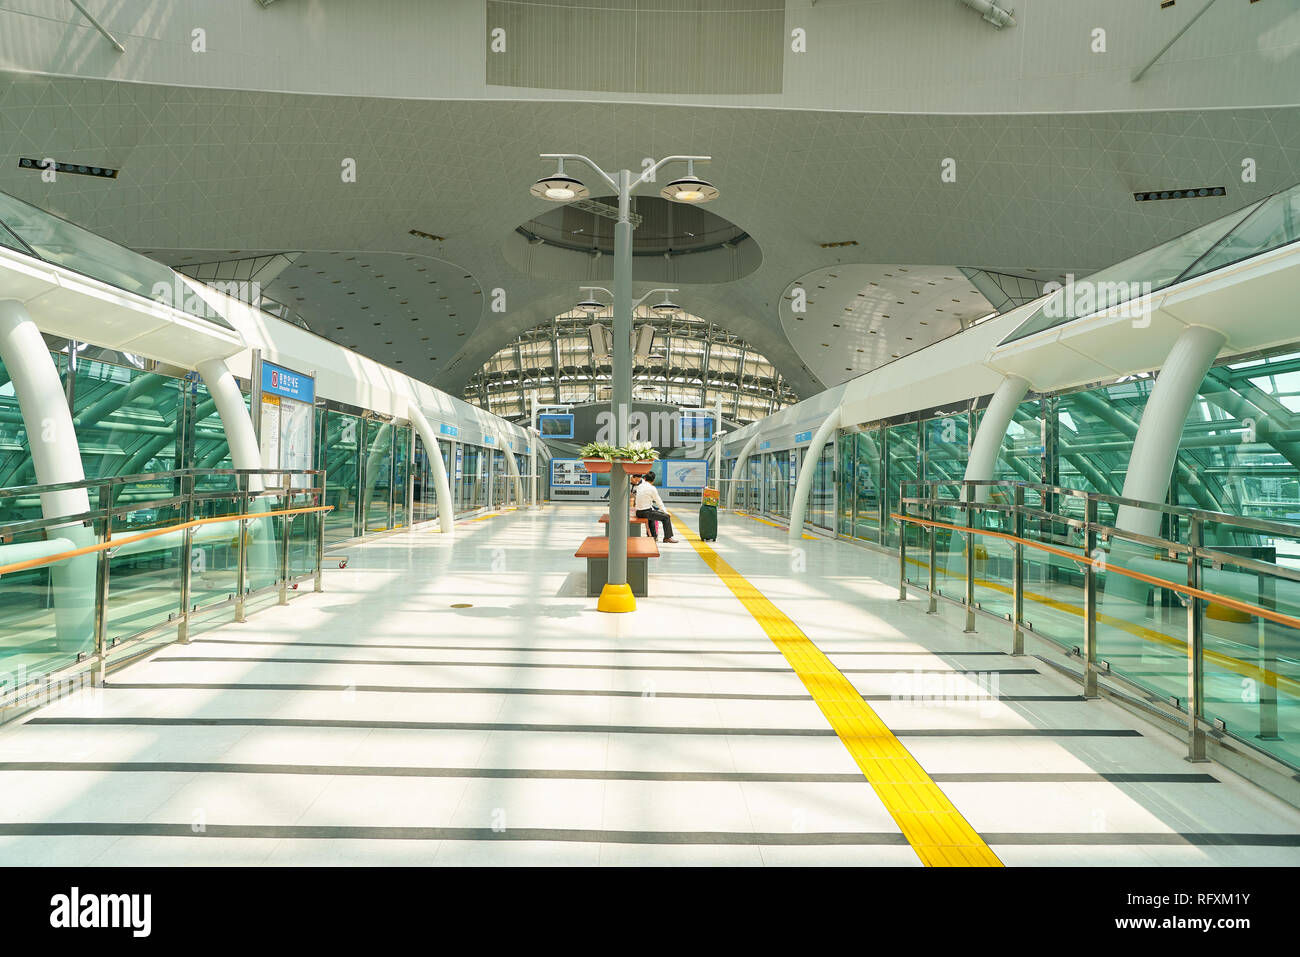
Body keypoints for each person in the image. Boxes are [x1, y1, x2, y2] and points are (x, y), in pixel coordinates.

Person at [630, 472, 677, 544]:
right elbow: (658, 501)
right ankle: (667, 537)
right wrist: (665, 511)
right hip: (645, 512)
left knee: (651, 515)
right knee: (666, 517)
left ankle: (653, 537)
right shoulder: (652, 488)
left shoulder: (639, 486)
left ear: (644, 478)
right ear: (653, 480)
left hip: (638, 512)